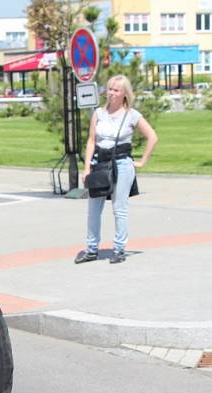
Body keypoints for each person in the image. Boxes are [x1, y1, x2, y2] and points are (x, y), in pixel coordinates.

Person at [75, 74, 158, 265]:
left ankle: (119, 248)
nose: (111, 93)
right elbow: (91, 140)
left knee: (119, 208)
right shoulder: (99, 114)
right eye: (109, 89)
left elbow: (152, 136)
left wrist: (142, 162)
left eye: (116, 90)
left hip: (121, 164)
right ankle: (91, 249)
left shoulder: (131, 115)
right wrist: (86, 167)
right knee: (93, 208)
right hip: (99, 163)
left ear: (125, 94)